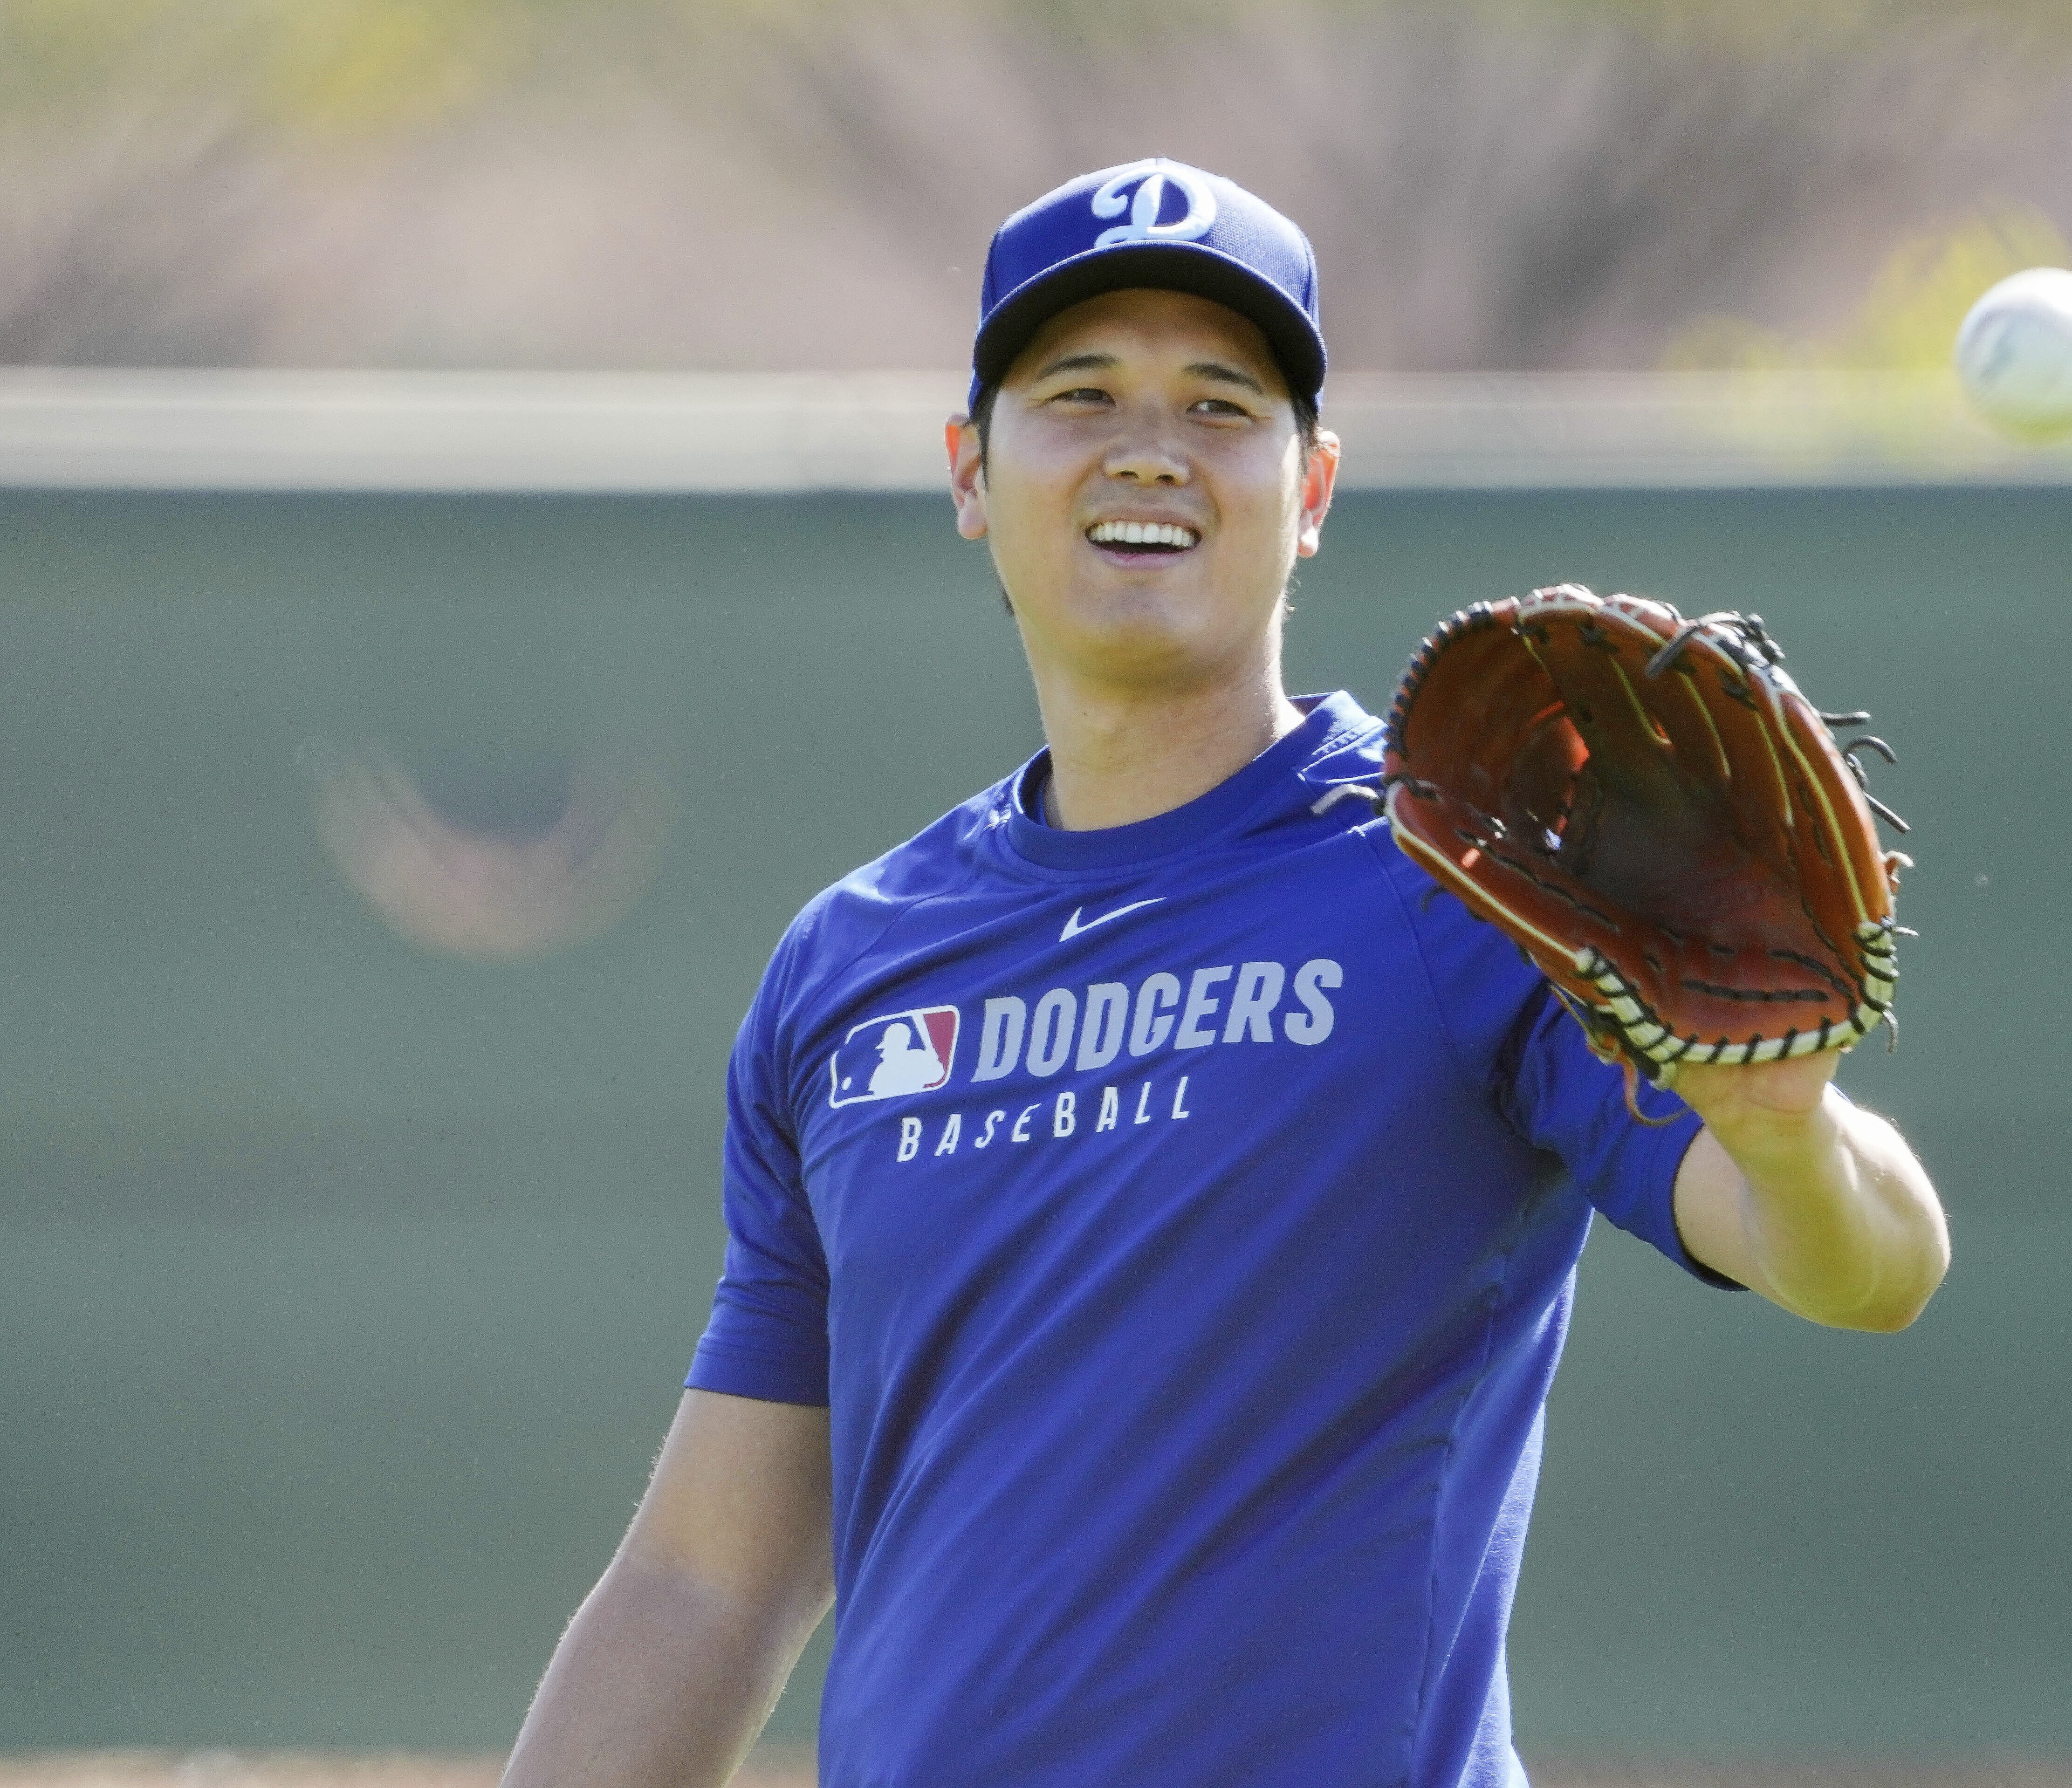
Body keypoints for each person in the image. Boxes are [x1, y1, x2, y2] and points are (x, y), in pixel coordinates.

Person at [499, 158, 1948, 1788]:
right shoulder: (851, 966)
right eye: (1081, 391)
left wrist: (1781, 1135)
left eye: (1218, 403)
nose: (1149, 448)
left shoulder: (1462, 879)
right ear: (971, 469)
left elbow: (1870, 1267)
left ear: (1311, 486)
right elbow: (707, 1578)